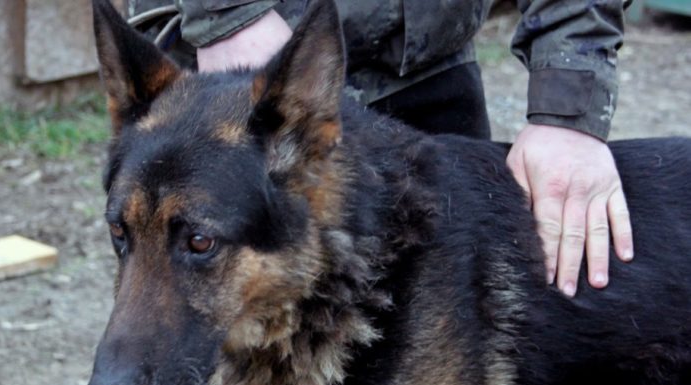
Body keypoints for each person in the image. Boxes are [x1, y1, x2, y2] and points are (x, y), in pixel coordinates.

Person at [144, 0, 634, 297]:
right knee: (183, 340)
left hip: (426, 60)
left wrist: (568, 112)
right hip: (232, 60)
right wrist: (227, 13)